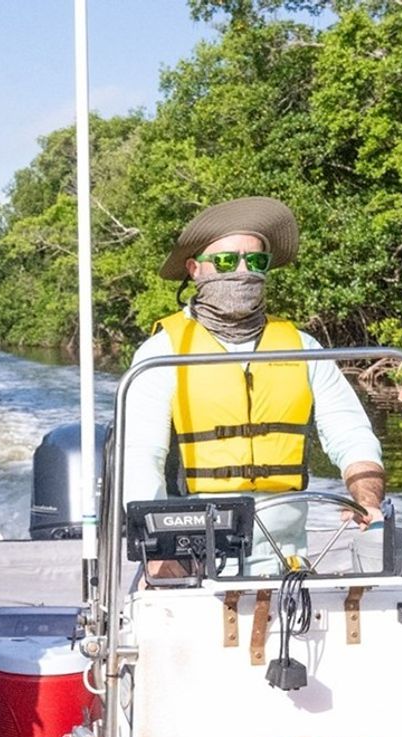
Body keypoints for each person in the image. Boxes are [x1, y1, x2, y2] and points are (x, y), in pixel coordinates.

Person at [122, 196, 386, 575]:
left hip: (289, 557)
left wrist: (367, 498)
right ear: (195, 269)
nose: (243, 271)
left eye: (256, 261)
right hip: (193, 556)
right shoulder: (161, 352)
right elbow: (140, 457)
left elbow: (351, 433)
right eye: (227, 262)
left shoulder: (303, 347)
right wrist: (159, 551)